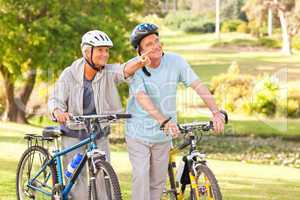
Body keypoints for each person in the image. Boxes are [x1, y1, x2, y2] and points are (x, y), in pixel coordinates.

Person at [125, 23, 225, 200]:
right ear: (139, 51)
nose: (156, 46)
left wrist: (216, 112)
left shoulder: (175, 61)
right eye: (149, 44)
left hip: (163, 136)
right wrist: (164, 120)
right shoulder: (134, 68)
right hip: (138, 133)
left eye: (157, 41)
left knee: (157, 184)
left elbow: (198, 85)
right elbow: (142, 98)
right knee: (141, 175)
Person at [48, 30, 150, 200]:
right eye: (100, 50)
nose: (105, 54)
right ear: (87, 52)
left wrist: (140, 62)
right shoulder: (70, 73)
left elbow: (123, 69)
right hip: (73, 133)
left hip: (98, 133)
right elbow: (55, 99)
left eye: (106, 50)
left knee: (104, 179)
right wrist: (58, 111)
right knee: (77, 184)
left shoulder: (107, 72)